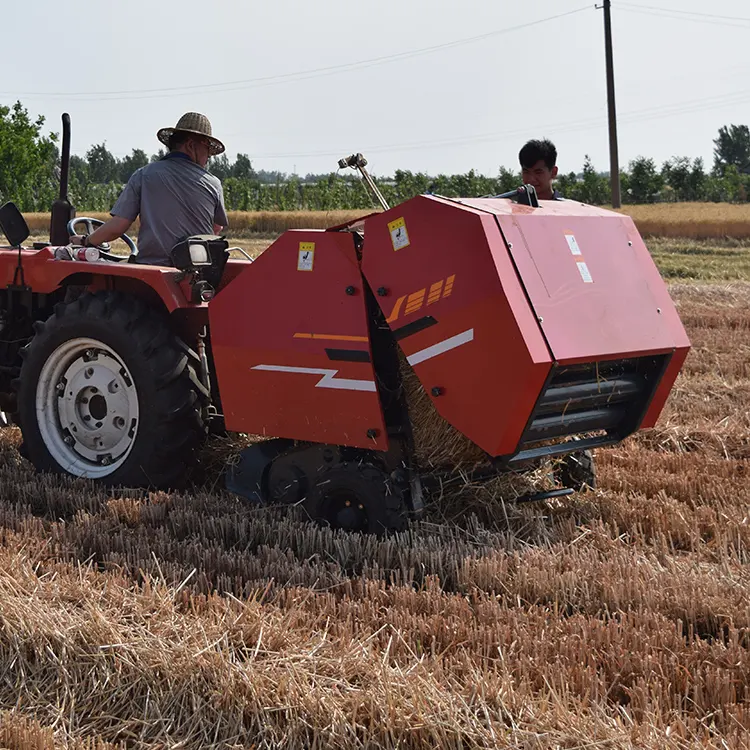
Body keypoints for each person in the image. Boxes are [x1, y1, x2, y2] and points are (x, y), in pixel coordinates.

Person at [69, 112, 229, 266]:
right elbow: (216, 228)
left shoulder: (144, 175)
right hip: (200, 274)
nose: (209, 156)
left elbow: (118, 226)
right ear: (190, 145)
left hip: (152, 269)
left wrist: (86, 241)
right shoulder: (213, 183)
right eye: (207, 148)